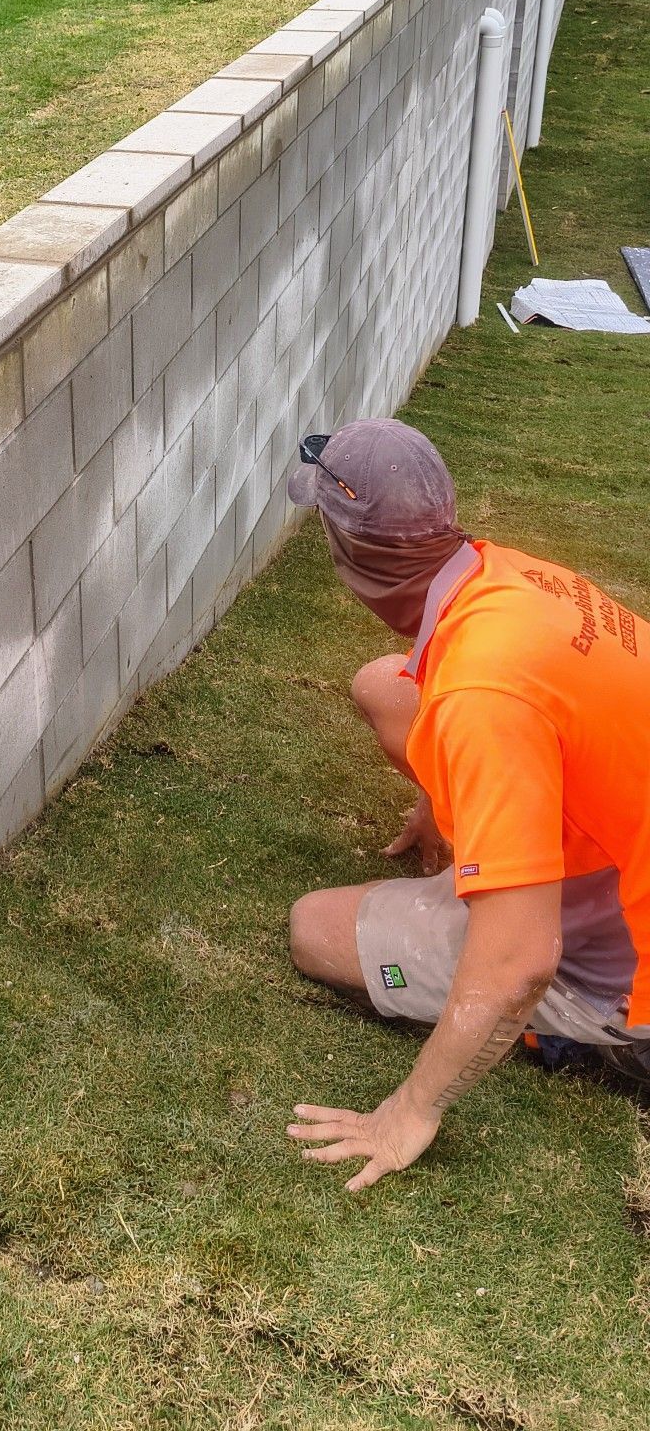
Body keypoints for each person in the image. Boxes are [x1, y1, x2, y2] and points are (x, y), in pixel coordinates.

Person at [283, 418, 650, 1193]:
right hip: (617, 838)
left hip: (625, 958)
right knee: (385, 686)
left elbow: (520, 960)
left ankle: (610, 1035)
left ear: (353, 556)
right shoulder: (500, 573)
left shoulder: (484, 699)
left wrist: (410, 1109)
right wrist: (443, 798)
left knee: (313, 929)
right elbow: (444, 702)